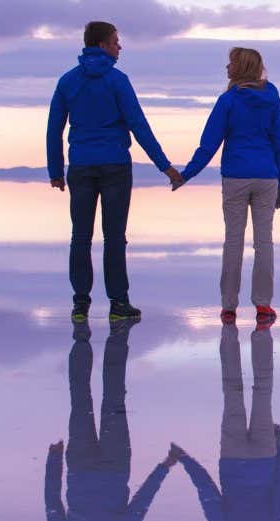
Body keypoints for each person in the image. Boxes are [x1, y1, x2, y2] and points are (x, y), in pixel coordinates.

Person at [47, 21, 183, 322]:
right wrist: (166, 167)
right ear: (101, 45)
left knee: (80, 236)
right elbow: (138, 125)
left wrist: (55, 170)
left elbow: (54, 129)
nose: (119, 47)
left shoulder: (67, 81)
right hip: (115, 167)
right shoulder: (118, 81)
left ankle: (80, 305)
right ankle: (118, 303)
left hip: (81, 166)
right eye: (115, 42)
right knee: (114, 237)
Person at [44, 320, 180, 521]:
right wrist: (54, 461)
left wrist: (164, 467)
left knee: (114, 396)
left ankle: (119, 334)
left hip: (114, 467)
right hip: (80, 467)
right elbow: (52, 505)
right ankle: (81, 334)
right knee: (80, 399)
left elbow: (139, 507)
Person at [172, 47, 280, 323]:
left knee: (233, 242)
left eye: (231, 63)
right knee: (264, 242)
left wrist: (186, 174)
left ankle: (229, 305)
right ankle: (263, 304)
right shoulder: (271, 97)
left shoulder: (228, 101)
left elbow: (209, 144)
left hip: (236, 176)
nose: (227, 67)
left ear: (241, 67)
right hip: (266, 176)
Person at [173, 322, 280, 521]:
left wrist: (279, 449)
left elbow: (279, 493)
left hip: (264, 458)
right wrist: (185, 460)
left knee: (263, 390)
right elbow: (207, 493)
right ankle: (228, 331)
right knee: (232, 389)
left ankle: (262, 334)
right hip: (233, 457)